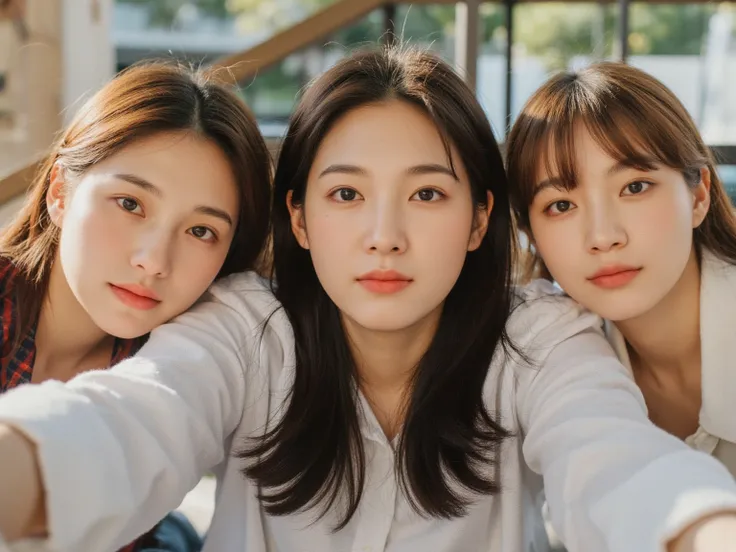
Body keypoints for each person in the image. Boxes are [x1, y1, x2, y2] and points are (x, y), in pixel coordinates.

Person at [1, 47, 736, 552]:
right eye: (347, 194)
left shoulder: (539, 339)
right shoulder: (243, 328)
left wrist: (704, 529)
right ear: (299, 218)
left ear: (481, 218)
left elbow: (615, 459)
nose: (385, 237)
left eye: (425, 193)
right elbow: (130, 419)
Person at [0, 61, 271, 551]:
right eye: (130, 204)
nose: (153, 261)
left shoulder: (195, 353)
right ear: (61, 194)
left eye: (200, 231)